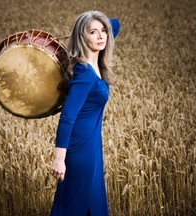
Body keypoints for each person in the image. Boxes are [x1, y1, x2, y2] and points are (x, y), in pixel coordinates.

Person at [50, 11, 120, 216]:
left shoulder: (95, 66)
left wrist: (95, 21)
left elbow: (115, 25)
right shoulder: (84, 73)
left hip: (92, 148)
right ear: (82, 37)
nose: (101, 36)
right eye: (93, 32)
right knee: (74, 206)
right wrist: (59, 159)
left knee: (90, 205)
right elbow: (68, 116)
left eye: (103, 31)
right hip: (80, 151)